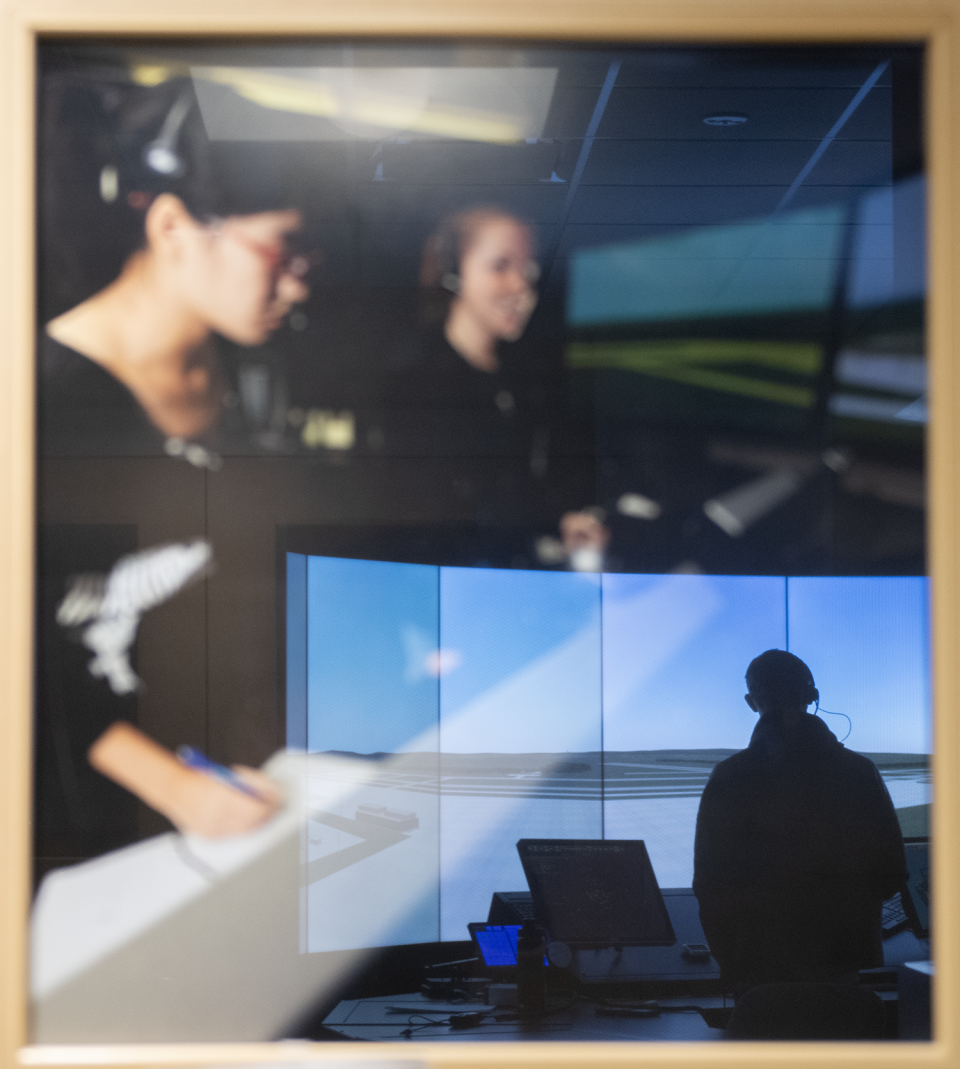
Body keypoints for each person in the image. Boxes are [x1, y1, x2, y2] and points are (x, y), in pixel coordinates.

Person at [35, 70, 310, 866]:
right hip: (90, 834)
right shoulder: (47, 399)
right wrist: (174, 786)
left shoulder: (249, 375)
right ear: (171, 227)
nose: (297, 285)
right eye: (279, 251)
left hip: (232, 794)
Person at [692, 649, 907, 998]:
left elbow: (710, 886)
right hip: (844, 974)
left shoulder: (731, 776)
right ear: (812, 695)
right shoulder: (859, 773)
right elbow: (892, 874)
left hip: (758, 978)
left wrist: (732, 961)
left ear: (751, 701)